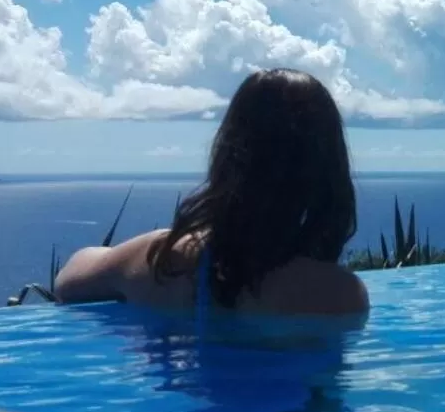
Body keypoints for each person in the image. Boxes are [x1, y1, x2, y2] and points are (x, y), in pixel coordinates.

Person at [55, 68, 370, 317]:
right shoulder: (339, 294)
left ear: (228, 155)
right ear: (328, 170)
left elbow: (68, 281)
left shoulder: (159, 259)